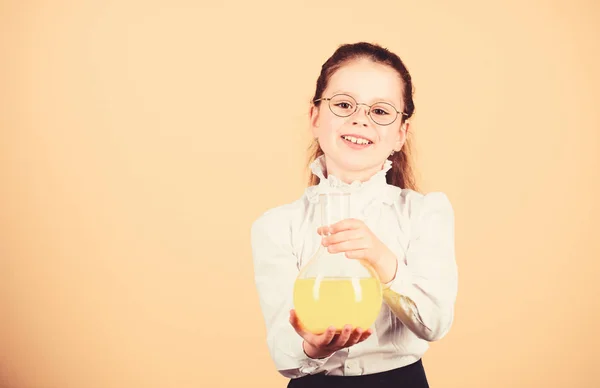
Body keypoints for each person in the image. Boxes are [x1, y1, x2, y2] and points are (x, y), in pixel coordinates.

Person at [250, 42, 458, 388]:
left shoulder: (423, 213)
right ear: (315, 118)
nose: (360, 118)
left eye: (381, 111)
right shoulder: (276, 226)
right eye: (344, 104)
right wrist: (310, 347)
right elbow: (282, 350)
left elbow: (435, 323)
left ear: (400, 134)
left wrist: (382, 260)